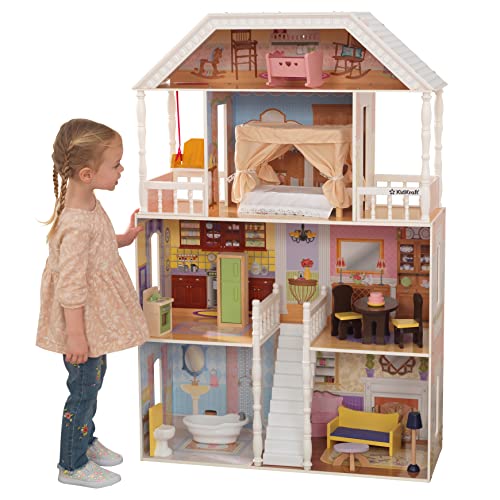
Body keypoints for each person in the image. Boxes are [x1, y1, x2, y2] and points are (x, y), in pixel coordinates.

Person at [36, 119, 149, 488]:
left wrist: (122, 239)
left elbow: (95, 244)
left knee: (93, 382)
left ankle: (85, 438)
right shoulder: (75, 223)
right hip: (80, 325)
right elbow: (70, 286)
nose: (121, 170)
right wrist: (76, 336)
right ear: (87, 174)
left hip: (92, 323)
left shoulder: (87, 205)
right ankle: (72, 462)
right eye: (115, 165)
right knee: (83, 390)